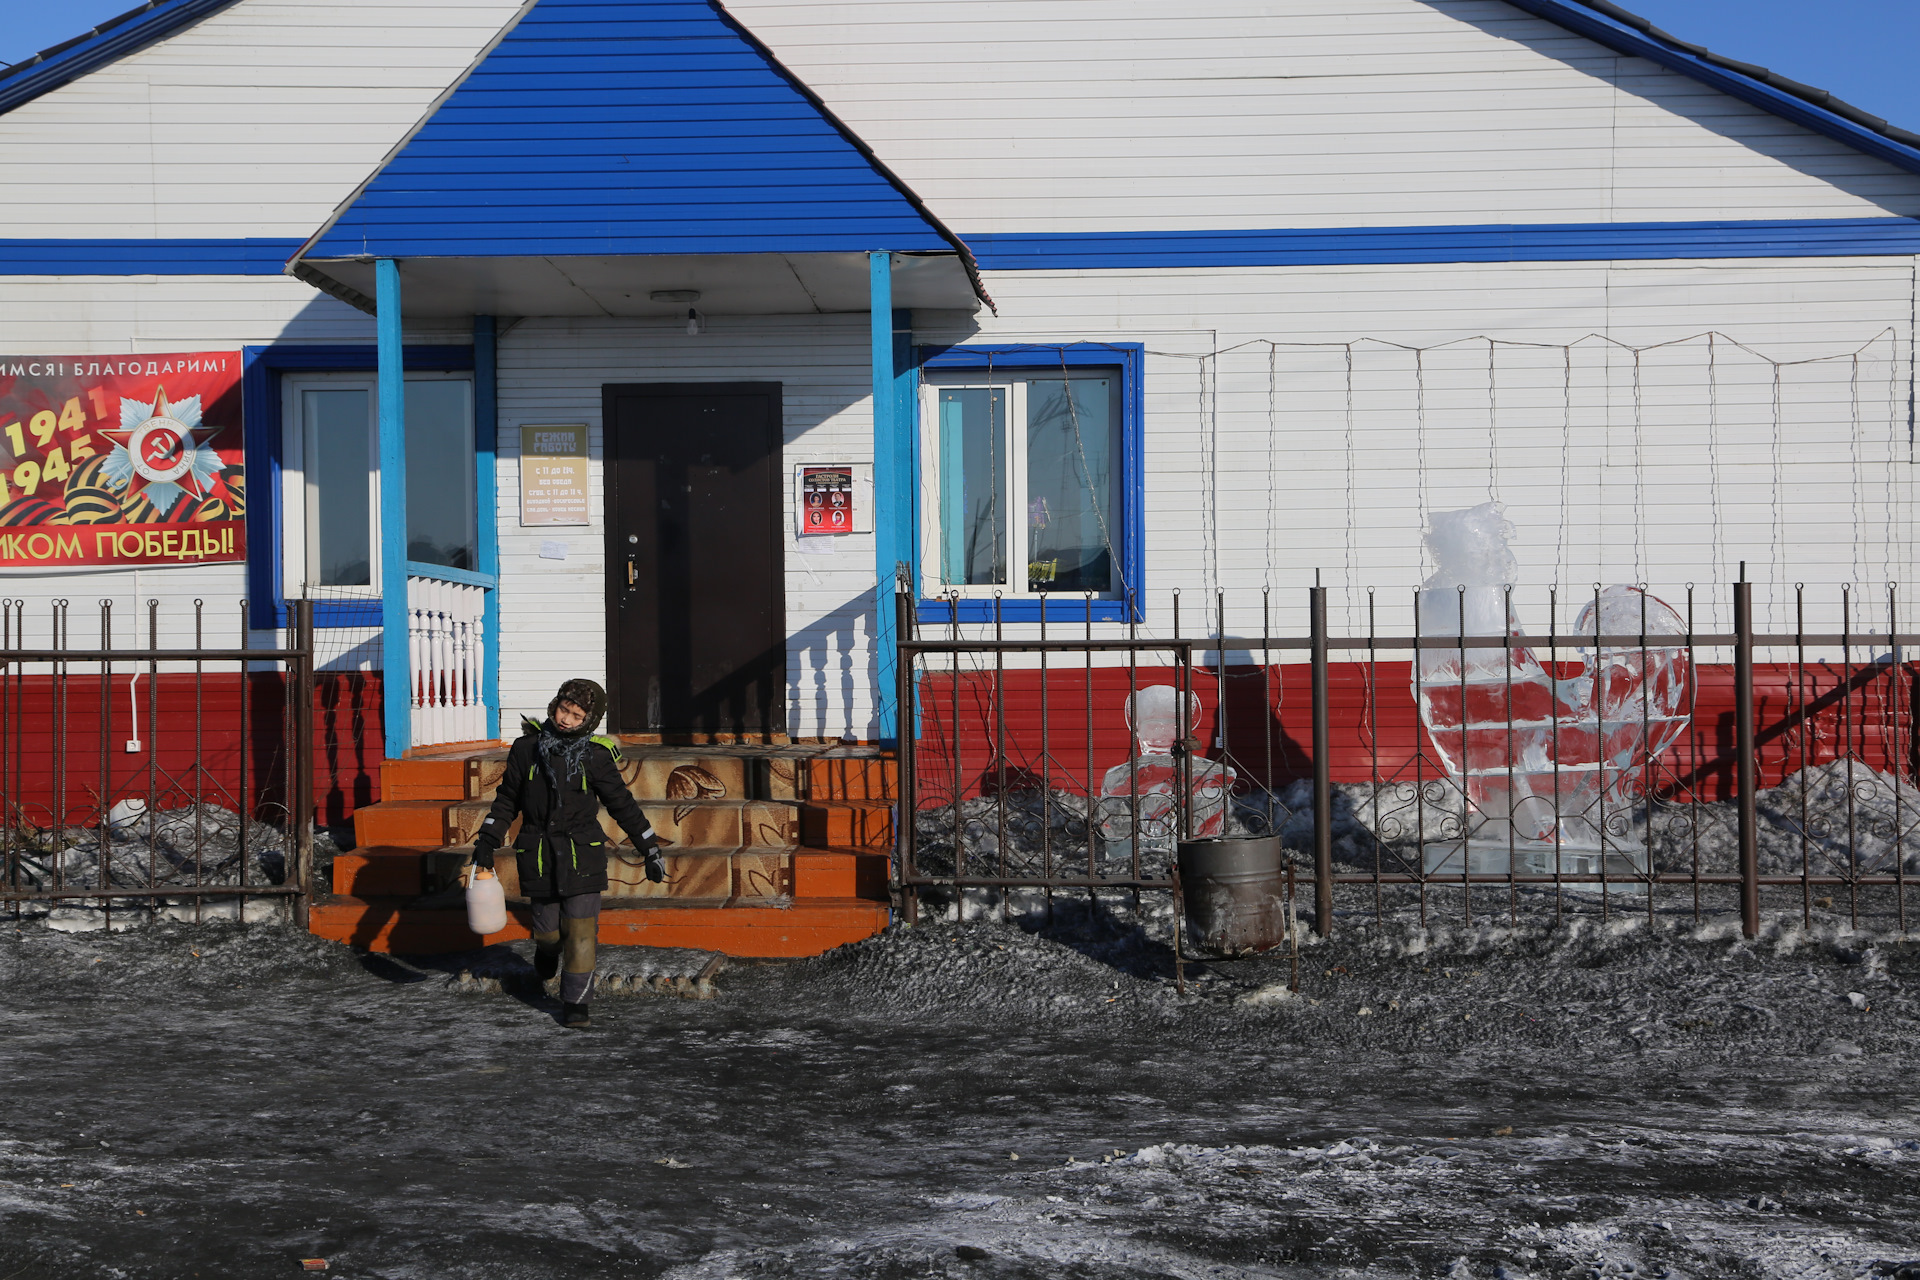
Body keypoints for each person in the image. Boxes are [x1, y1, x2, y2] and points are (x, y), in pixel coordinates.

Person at [470, 678, 663, 1029]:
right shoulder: (526, 749)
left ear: (588, 721)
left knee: (581, 932)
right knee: (548, 932)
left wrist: (648, 847)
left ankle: (576, 1003)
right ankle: (545, 952)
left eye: (576, 716)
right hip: (538, 853)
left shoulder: (596, 756)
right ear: (554, 705)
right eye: (564, 710)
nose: (567, 720)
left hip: (582, 853)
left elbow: (622, 804)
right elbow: (508, 799)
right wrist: (487, 839)